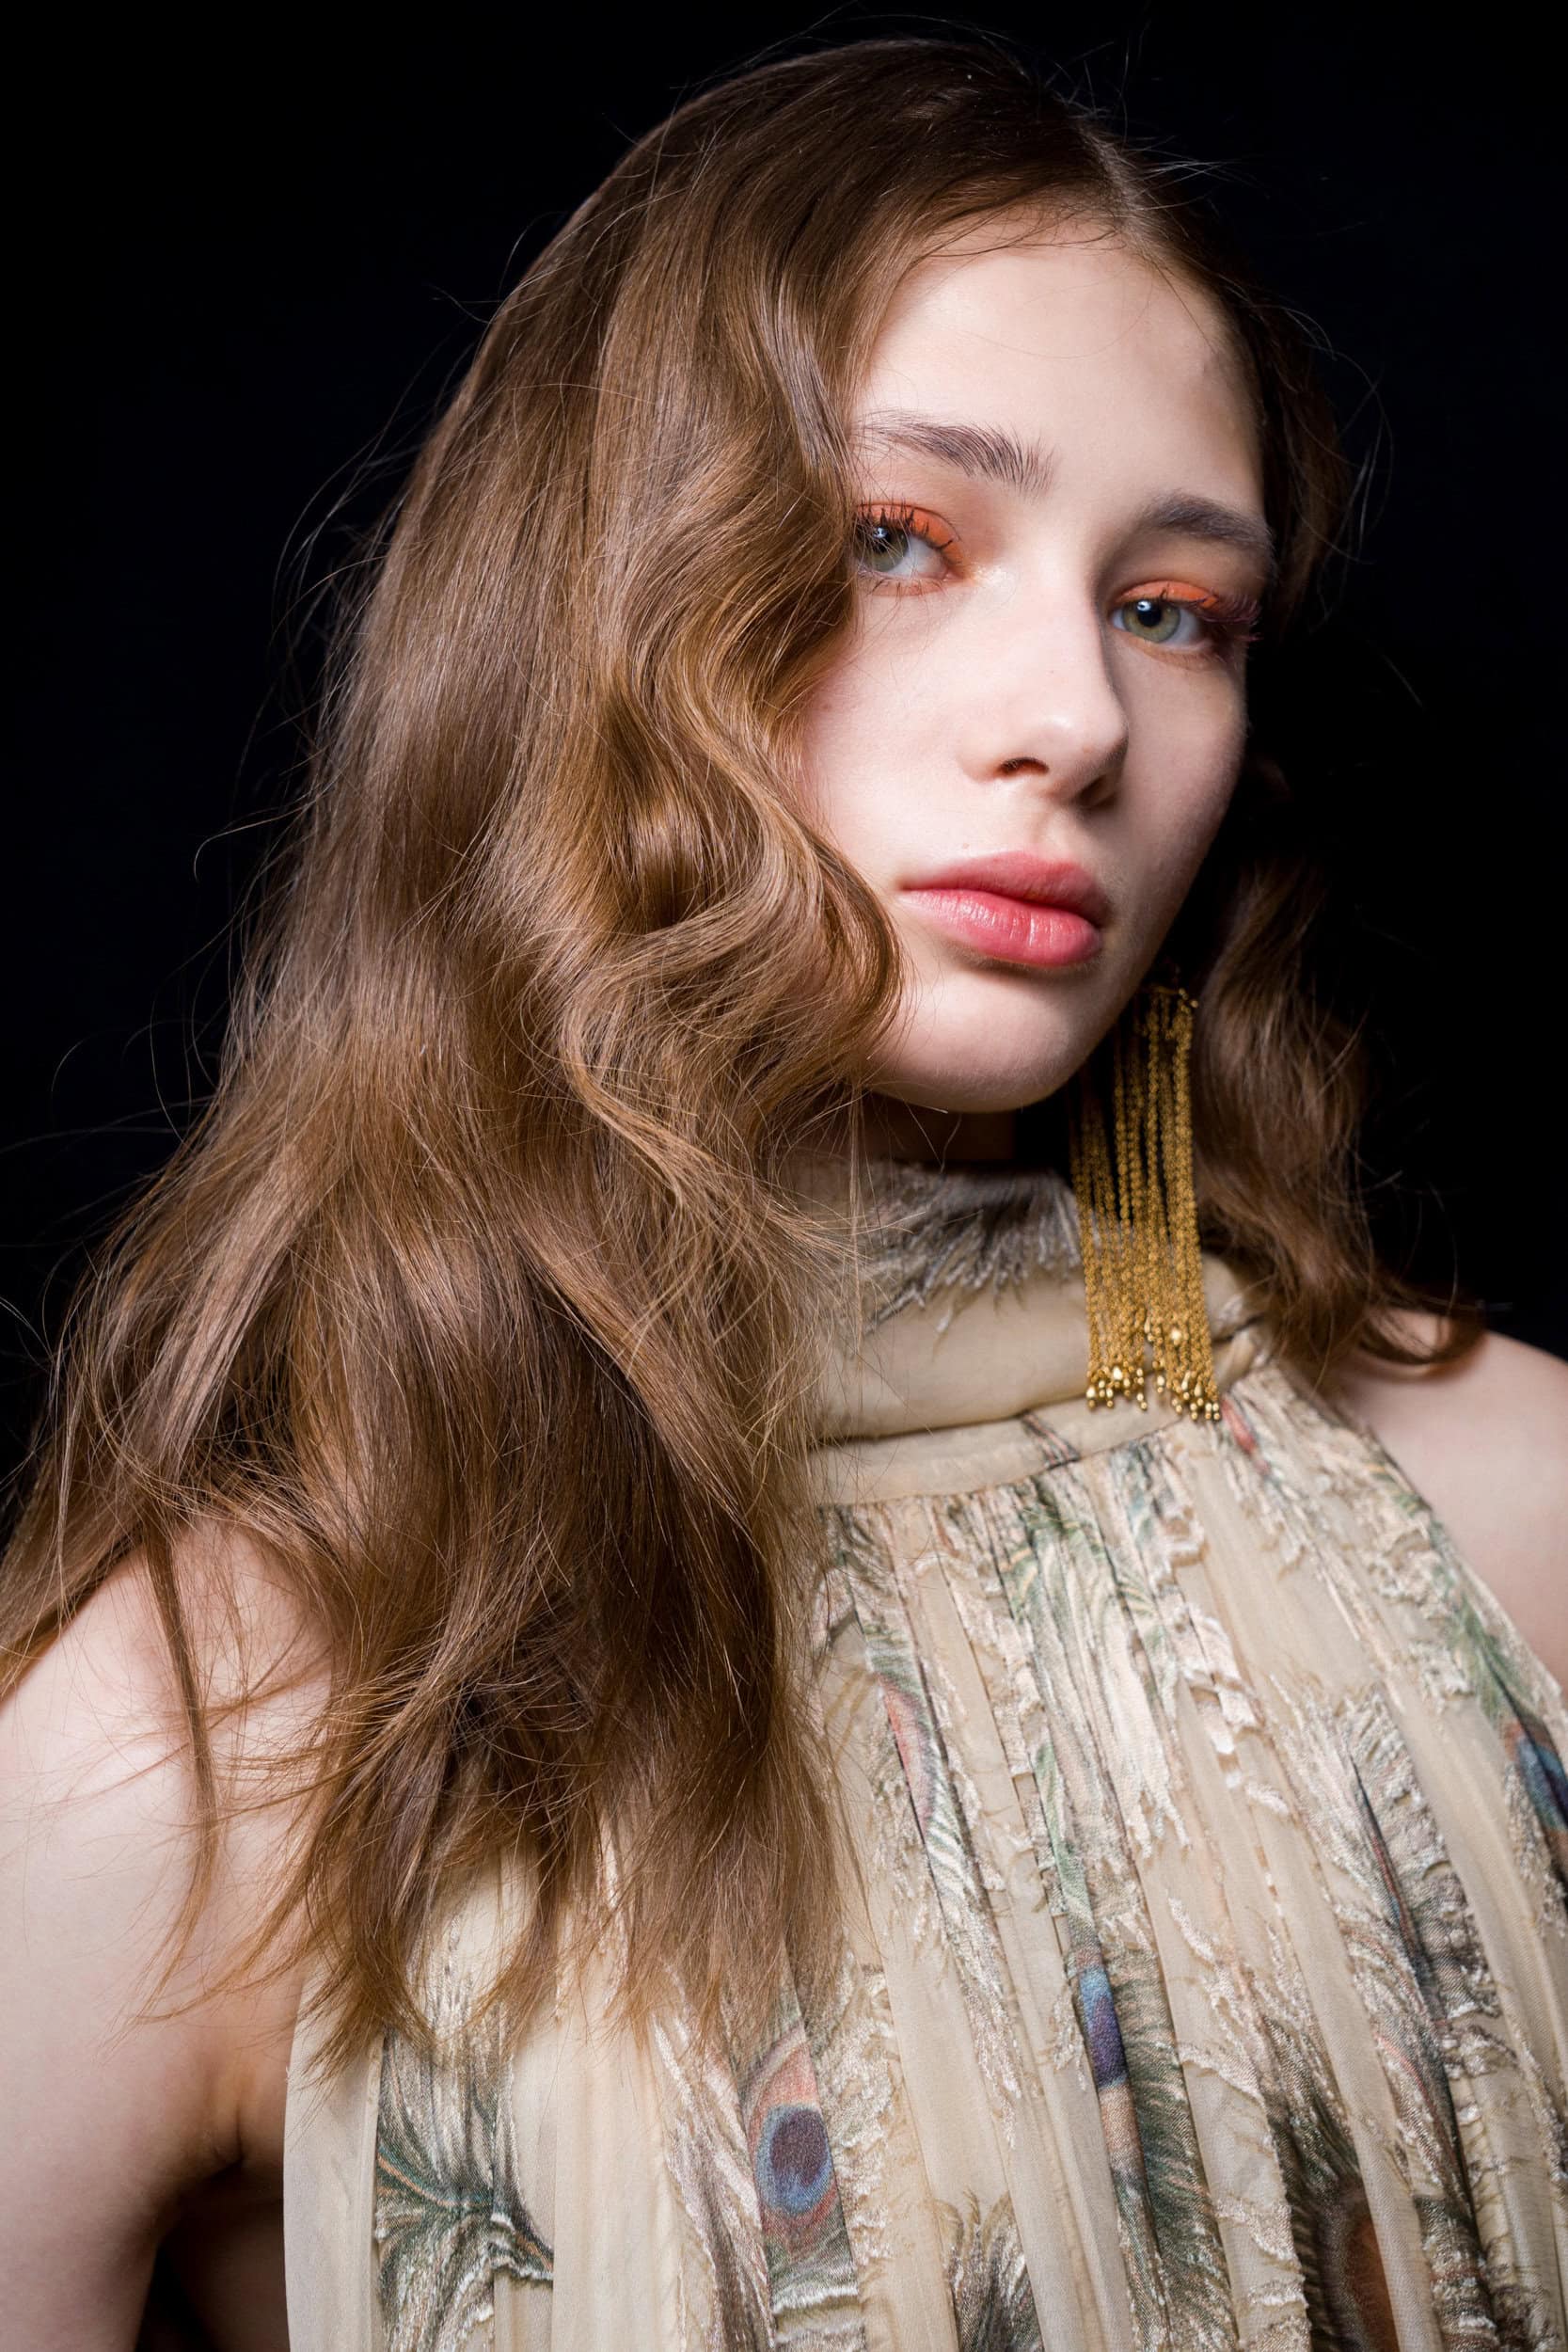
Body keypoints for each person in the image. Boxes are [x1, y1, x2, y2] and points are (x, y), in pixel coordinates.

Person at [4, 35, 1564, 2352]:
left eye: (1174, 608)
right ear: (596, 610)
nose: (1079, 719)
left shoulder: (1517, 1514)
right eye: (895, 539)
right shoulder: (207, 1743)